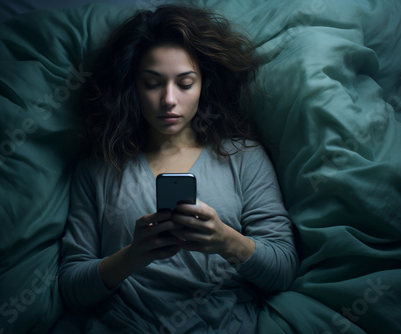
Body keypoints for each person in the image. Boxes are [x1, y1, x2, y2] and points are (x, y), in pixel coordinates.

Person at [59, 4, 298, 333]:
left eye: (185, 83)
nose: (169, 99)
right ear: (133, 87)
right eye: (153, 83)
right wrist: (132, 256)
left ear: (204, 86)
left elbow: (283, 269)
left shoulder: (244, 157)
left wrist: (227, 241)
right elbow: (72, 290)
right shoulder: (98, 168)